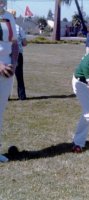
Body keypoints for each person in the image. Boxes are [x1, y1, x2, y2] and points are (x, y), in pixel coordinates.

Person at [0, 0, 19, 162]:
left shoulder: (8, 17)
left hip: (7, 70)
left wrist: (13, 63)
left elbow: (14, 44)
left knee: (0, 110)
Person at [8, 9, 27, 100]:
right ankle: (22, 96)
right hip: (18, 54)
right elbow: (24, 43)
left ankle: (5, 95)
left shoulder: (3, 28)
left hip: (6, 54)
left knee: (6, 76)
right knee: (19, 76)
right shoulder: (19, 28)